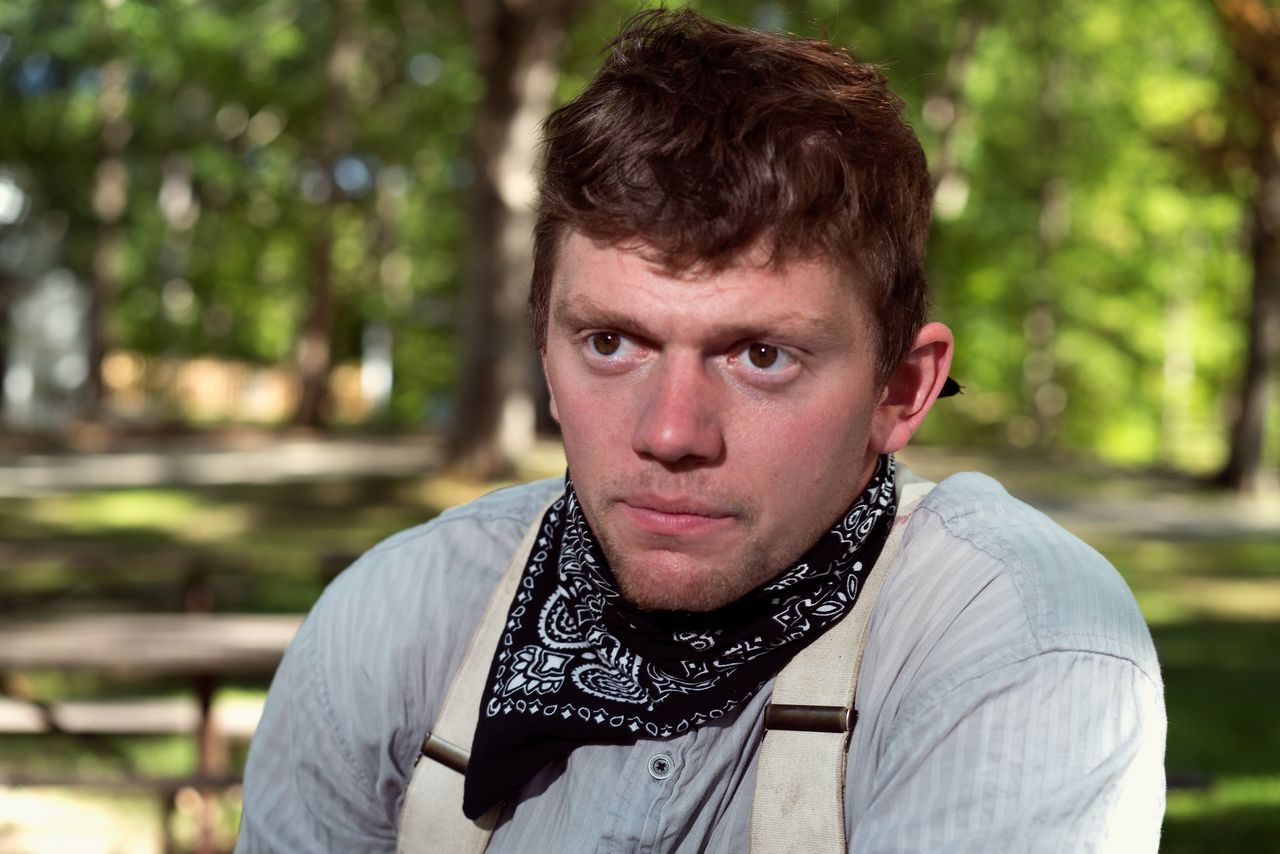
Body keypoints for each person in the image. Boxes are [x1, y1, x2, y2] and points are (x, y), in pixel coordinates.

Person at [237, 9, 1165, 852]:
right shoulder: (394, 622)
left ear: (902, 389)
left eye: (760, 355)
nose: (672, 433)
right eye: (611, 343)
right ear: (545, 362)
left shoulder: (1026, 640)